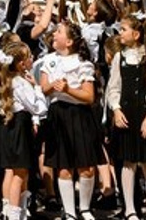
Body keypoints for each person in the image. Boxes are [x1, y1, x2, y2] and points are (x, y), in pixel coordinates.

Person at [107, 13, 146, 220]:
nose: (120, 33)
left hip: (144, 114)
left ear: (136, 33)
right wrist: (115, 109)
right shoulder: (118, 58)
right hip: (126, 114)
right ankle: (130, 209)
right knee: (128, 162)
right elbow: (113, 87)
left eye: (123, 30)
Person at [40, 20, 100, 220]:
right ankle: (70, 211)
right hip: (58, 114)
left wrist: (68, 89)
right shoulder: (48, 60)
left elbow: (89, 96)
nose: (54, 34)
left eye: (59, 31)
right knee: (63, 166)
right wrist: (53, 86)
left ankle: (84, 207)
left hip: (80, 115)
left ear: (69, 41)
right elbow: (44, 88)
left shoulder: (83, 63)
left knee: (86, 166)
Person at [0, 39, 45, 220]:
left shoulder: (11, 80)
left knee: (12, 171)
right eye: (29, 57)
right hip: (19, 127)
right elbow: (38, 108)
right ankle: (15, 213)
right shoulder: (21, 83)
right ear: (21, 63)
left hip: (11, 126)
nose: (32, 59)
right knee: (19, 173)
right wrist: (37, 88)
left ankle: (12, 210)